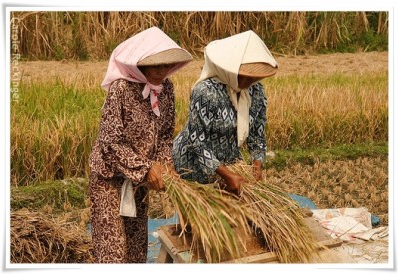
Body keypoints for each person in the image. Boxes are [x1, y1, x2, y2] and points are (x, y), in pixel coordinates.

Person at [88, 26, 192, 263]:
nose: (162, 70)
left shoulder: (166, 89)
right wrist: (146, 168)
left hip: (139, 184)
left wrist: (166, 166)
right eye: (155, 65)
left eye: (166, 65)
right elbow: (111, 142)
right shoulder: (120, 89)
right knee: (112, 253)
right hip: (109, 181)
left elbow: (165, 136)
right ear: (139, 63)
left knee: (136, 251)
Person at [172, 30, 278, 196]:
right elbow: (197, 142)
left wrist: (257, 165)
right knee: (201, 215)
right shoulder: (206, 92)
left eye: (254, 77)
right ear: (229, 70)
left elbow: (257, 135)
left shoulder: (255, 91)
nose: (250, 81)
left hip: (229, 160)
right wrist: (226, 175)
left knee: (236, 213)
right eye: (244, 76)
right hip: (193, 163)